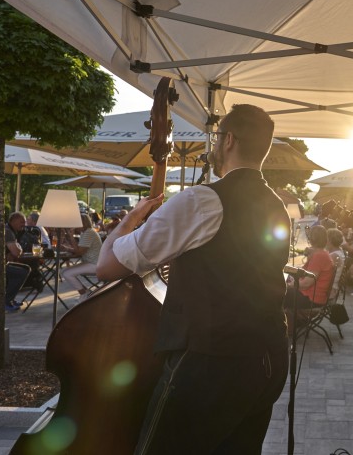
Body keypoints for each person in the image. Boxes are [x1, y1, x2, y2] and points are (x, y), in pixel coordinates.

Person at [97, 104, 290, 454]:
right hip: (267, 357)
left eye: (217, 138)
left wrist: (128, 222)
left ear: (228, 140)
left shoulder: (204, 199)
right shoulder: (276, 204)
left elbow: (108, 266)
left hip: (211, 362)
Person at [284, 225, 335, 311]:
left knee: (276, 293)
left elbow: (306, 284)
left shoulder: (319, 256)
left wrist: (288, 285)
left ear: (311, 238)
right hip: (314, 295)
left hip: (311, 298)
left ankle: (278, 321)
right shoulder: (322, 254)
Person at [60, 213, 103, 303]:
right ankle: (86, 292)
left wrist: (71, 236)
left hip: (95, 264)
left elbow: (79, 252)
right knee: (64, 272)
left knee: (67, 273)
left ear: (83, 223)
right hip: (91, 262)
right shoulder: (86, 232)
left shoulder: (89, 233)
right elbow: (80, 250)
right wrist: (67, 248)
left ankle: (84, 294)